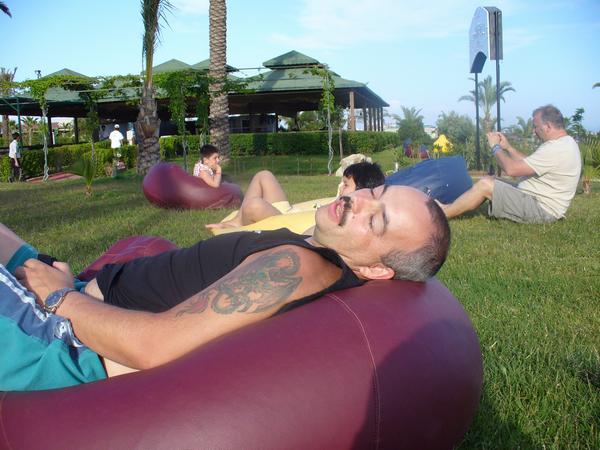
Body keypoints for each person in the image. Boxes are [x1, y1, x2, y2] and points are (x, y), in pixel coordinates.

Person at [7, 184, 450, 390]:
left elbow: (152, 346)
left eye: (375, 219)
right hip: (81, 297)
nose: (360, 200)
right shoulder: (317, 247)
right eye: (377, 191)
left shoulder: (294, 266)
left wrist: (60, 296)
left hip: (64, 336)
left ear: (377, 271)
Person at [438, 105, 581, 223]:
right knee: (490, 180)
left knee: (485, 185)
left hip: (542, 210)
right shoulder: (565, 143)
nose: (534, 131)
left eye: (536, 127)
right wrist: (508, 147)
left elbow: (511, 169)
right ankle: (451, 207)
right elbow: (529, 163)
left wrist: (495, 147)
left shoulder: (556, 148)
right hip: (537, 201)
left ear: (548, 126)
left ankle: (443, 214)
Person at [207, 162, 385, 231]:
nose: (340, 187)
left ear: (360, 192)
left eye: (345, 185)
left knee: (254, 205)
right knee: (264, 175)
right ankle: (238, 220)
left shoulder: (346, 216)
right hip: (290, 211)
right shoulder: (338, 202)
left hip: (283, 220)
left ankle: (236, 225)